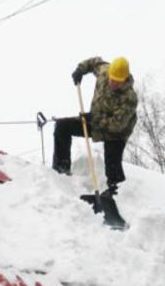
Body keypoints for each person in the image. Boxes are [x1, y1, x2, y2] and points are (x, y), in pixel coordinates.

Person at [52, 56, 138, 197]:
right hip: (94, 120)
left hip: (117, 133)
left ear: (125, 79)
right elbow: (94, 62)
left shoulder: (129, 98)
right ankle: (61, 169)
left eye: (118, 81)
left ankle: (117, 194)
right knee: (62, 126)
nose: (113, 83)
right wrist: (80, 70)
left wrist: (94, 119)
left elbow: (117, 125)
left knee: (112, 163)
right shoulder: (104, 71)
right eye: (112, 78)